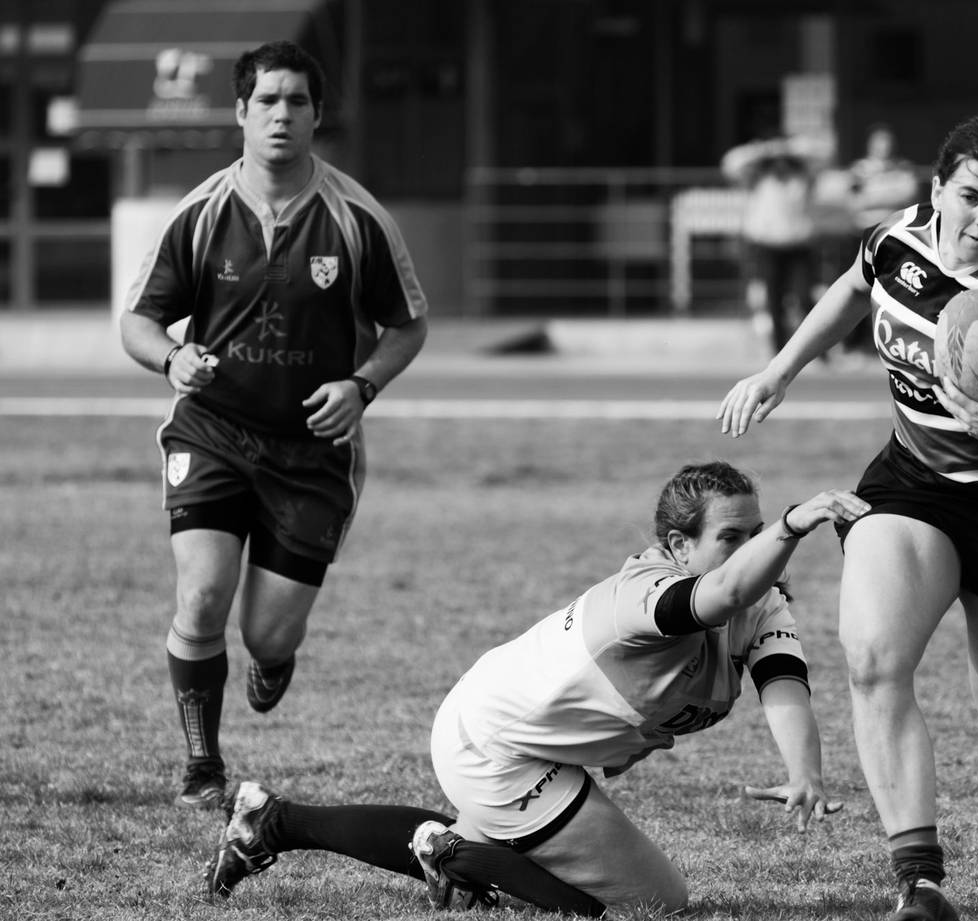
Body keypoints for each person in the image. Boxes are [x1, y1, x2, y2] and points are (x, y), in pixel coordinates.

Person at [718, 112, 978, 921]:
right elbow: (851, 287)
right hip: (916, 483)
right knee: (872, 658)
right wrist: (780, 370)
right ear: (937, 188)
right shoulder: (895, 238)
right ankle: (919, 882)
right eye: (971, 196)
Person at [205, 462, 864, 916]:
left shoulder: (761, 596)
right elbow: (719, 595)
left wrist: (804, 772)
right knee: (653, 901)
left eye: (755, 533)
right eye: (732, 536)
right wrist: (792, 524)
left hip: (523, 734)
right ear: (678, 545)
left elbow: (783, 680)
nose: (752, 547)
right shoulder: (642, 597)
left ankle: (274, 820)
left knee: (536, 856)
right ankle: (455, 856)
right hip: (495, 745)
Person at [114, 40, 430, 808]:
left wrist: (361, 385)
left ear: (318, 115)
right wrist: (171, 359)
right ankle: (202, 767)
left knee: (268, 633)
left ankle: (274, 655)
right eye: (266, 101)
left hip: (312, 453)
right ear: (240, 112)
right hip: (212, 431)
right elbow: (138, 321)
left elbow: (408, 325)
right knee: (201, 595)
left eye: (296, 101)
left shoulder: (358, 219)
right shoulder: (200, 214)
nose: (281, 115)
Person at [721, 131, 825, 354]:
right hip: (767, 247)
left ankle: (815, 349)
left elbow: (823, 155)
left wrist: (789, 149)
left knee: (805, 297)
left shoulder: (802, 174)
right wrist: (764, 150)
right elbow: (730, 162)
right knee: (774, 302)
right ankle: (779, 351)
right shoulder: (757, 175)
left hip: (799, 246)